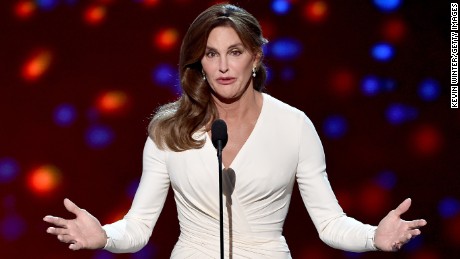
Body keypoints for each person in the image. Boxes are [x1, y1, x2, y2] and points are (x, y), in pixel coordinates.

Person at [43, 3, 427, 258]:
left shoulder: (294, 126)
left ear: (256, 58)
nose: (224, 66)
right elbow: (139, 226)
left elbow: (328, 223)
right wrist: (105, 236)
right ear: (200, 62)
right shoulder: (169, 129)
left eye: (236, 52)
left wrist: (373, 237)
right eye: (211, 53)